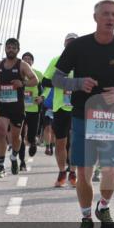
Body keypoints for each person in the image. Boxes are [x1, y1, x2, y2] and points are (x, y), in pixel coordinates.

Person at [52, 0, 114, 228]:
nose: (110, 18)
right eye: (105, 14)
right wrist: (77, 83)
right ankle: (85, 219)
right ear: (95, 17)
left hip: (112, 117)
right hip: (83, 115)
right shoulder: (78, 46)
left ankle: (103, 206)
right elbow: (57, 78)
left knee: (109, 170)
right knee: (84, 171)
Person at [0, 38, 38, 177]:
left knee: (16, 137)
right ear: (5, 48)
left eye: (13, 48)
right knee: (2, 131)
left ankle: (14, 157)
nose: (11, 50)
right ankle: (1, 166)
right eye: (8, 47)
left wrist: (22, 83)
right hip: (2, 104)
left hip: (17, 106)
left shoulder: (22, 65)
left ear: (18, 50)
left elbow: (35, 80)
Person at [42, 33, 78, 188]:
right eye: (69, 43)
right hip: (60, 107)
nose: (71, 45)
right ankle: (62, 171)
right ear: (64, 44)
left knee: (75, 142)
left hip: (78, 106)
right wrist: (62, 82)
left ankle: (73, 172)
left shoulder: (84, 62)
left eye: (74, 43)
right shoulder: (56, 60)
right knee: (61, 142)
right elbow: (44, 81)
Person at [17, 52, 44, 170]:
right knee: (20, 136)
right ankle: (22, 161)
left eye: (29, 59)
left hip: (34, 109)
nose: (27, 61)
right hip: (19, 109)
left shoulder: (38, 74)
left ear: (32, 62)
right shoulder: (17, 74)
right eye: (25, 59)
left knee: (31, 136)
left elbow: (47, 88)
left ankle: (33, 143)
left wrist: (42, 97)